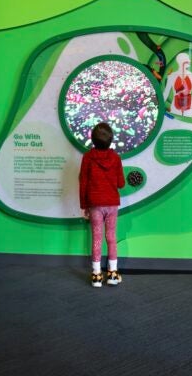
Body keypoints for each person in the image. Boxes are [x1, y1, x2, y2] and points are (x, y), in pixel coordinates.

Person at [79, 122, 125, 287]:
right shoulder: (116, 158)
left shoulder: (87, 158)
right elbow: (121, 184)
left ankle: (97, 274)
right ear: (111, 140)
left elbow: (83, 182)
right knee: (111, 238)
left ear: (92, 140)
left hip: (95, 205)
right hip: (112, 204)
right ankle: (112, 273)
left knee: (97, 239)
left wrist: (84, 206)